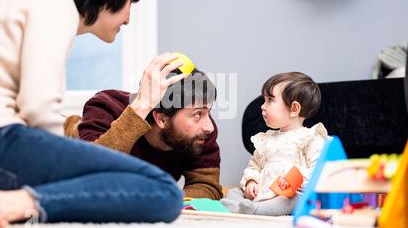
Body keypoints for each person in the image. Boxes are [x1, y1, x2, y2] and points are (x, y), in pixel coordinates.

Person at [0, 0, 184, 228]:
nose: (128, 17)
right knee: (163, 190)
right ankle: (17, 203)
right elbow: (38, 105)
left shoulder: (32, 2)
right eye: (130, 1)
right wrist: (62, 174)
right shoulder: (56, 3)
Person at [65, 68, 223, 200]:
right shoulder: (106, 107)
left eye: (208, 112)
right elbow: (91, 174)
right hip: (72, 156)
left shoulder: (200, 134)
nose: (209, 126)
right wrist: (140, 109)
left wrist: (175, 203)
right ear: (161, 119)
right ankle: (72, 127)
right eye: (197, 114)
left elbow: (206, 184)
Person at [221, 72, 329, 216]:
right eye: (264, 100)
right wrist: (251, 181)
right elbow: (255, 165)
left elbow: (318, 171)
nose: (262, 106)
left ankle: (257, 210)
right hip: (262, 192)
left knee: (292, 199)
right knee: (234, 191)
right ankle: (240, 206)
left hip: (287, 193)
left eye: (269, 101)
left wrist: (292, 180)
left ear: (294, 109)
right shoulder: (266, 140)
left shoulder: (311, 138)